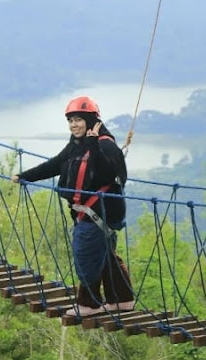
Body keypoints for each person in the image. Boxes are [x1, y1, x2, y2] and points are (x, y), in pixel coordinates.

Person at [11, 95, 135, 317]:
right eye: (70, 121)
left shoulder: (104, 145)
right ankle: (121, 299)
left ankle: (89, 304)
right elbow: (55, 165)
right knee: (104, 254)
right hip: (94, 211)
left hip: (99, 210)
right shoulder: (76, 145)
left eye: (78, 119)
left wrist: (92, 143)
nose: (73, 125)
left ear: (90, 120)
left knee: (86, 253)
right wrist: (25, 176)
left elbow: (109, 172)